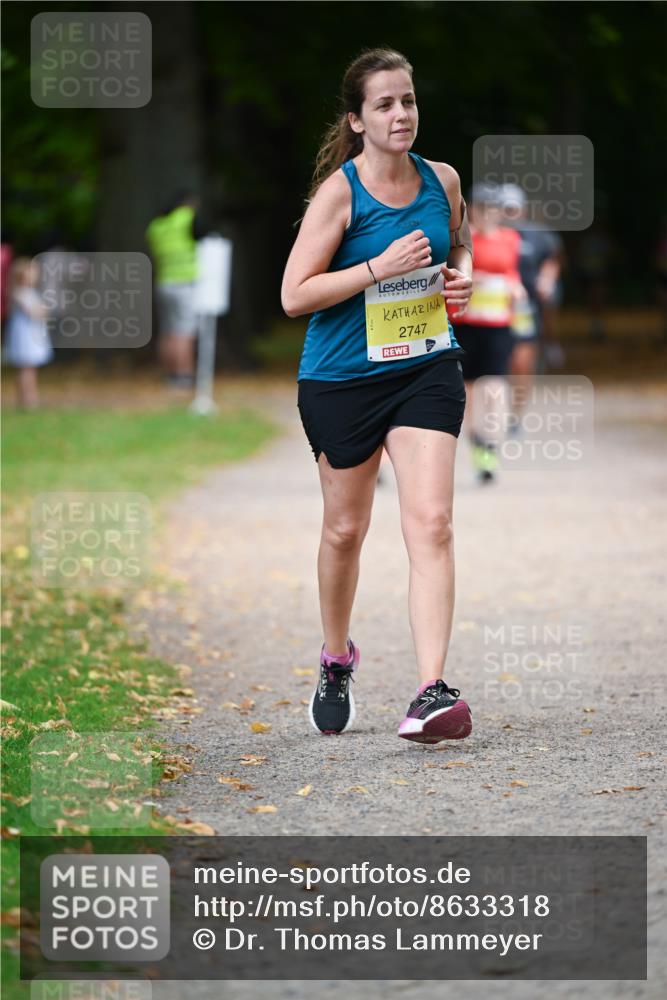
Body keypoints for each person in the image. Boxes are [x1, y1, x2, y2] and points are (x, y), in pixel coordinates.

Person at [281, 48, 474, 743]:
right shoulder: (342, 193)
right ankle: (336, 656)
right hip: (341, 378)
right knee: (344, 530)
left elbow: (459, 243)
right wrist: (374, 267)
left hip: (424, 367)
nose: (401, 114)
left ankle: (430, 690)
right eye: (385, 104)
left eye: (408, 101)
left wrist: (462, 278)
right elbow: (293, 295)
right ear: (357, 121)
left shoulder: (441, 179)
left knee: (432, 521)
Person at [450, 183, 524, 482]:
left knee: (494, 388)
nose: (486, 213)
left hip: (498, 325)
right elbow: (453, 273)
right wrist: (472, 279)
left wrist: (515, 286)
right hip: (466, 325)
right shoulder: (462, 242)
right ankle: (478, 445)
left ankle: (491, 446)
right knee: (468, 394)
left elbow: (511, 271)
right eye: (480, 207)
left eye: (491, 207)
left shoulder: (510, 239)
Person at [501, 184, 565, 421]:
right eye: (504, 209)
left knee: (522, 362)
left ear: (522, 210)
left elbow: (553, 258)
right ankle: (495, 411)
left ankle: (515, 414)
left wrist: (548, 278)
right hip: (492, 309)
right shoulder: (481, 234)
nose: (509, 215)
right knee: (497, 364)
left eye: (512, 209)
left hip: (524, 308)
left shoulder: (537, 234)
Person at [145, 191, 203, 387]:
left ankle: (169, 373)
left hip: (164, 282)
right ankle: (185, 375)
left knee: (168, 330)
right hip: (186, 281)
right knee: (185, 330)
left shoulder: (157, 226)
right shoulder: (186, 218)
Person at [2, 257, 53, 408]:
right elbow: (33, 312)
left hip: (32, 334)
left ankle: (29, 397)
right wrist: (43, 310)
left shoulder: (31, 292)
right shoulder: (19, 293)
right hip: (25, 336)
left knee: (30, 369)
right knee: (26, 369)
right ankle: (27, 399)